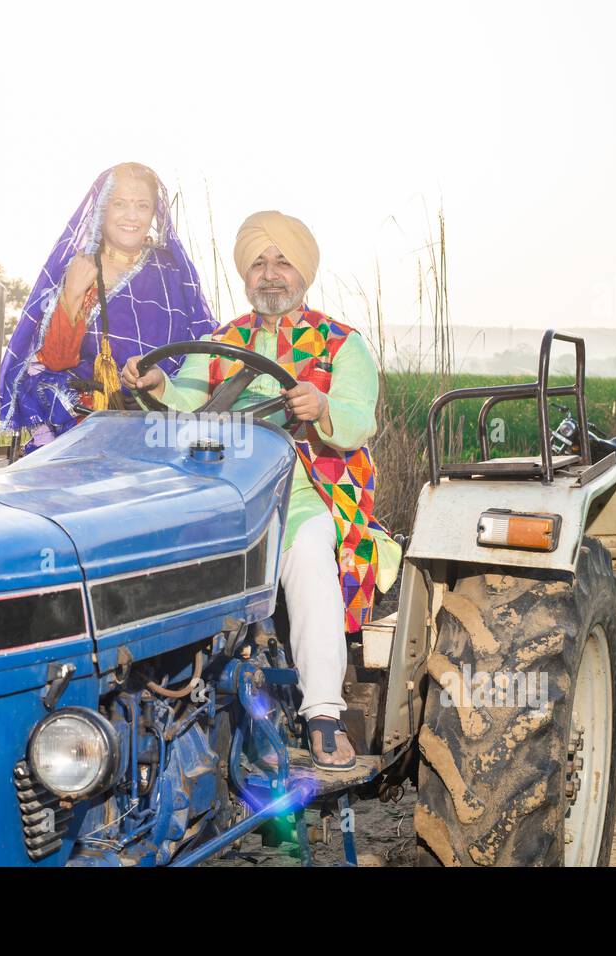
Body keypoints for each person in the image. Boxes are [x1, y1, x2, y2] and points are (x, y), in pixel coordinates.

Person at [123, 210, 402, 771]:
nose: (270, 274)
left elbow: (356, 419)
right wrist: (158, 385)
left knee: (307, 553)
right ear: (245, 276)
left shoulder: (342, 345)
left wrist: (322, 406)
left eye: (282, 262)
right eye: (258, 263)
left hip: (308, 488)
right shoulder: (220, 342)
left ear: (303, 273)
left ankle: (323, 711)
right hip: (222, 489)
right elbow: (186, 402)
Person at [0, 163, 215, 451]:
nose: (132, 216)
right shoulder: (79, 267)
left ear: (153, 214)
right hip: (82, 430)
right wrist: (73, 294)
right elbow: (53, 363)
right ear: (102, 209)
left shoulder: (174, 273)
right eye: (120, 204)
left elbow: (202, 349)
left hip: (163, 427)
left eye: (142, 206)